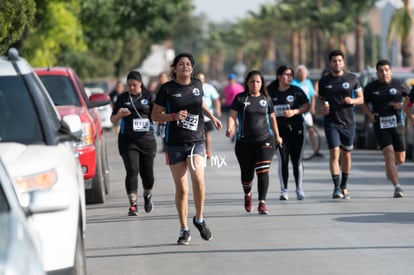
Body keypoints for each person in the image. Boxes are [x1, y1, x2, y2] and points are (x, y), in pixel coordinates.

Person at [151, 53, 222, 245]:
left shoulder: (197, 85)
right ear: (174, 68)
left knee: (198, 181)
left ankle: (199, 219)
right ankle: (184, 229)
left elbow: (200, 104)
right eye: (181, 64)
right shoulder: (167, 89)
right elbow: (155, 115)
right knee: (182, 189)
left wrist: (212, 117)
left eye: (188, 64)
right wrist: (173, 117)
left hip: (196, 140)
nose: (185, 67)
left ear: (192, 67)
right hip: (174, 143)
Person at [226, 70, 283, 214]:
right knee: (247, 175)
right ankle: (248, 194)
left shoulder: (266, 99)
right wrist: (230, 127)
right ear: (247, 83)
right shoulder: (240, 98)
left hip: (265, 139)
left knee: (263, 171)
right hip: (244, 142)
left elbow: (272, 118)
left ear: (262, 83)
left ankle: (262, 203)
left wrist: (277, 136)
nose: (255, 84)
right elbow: (232, 116)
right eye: (252, 81)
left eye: (258, 81)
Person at [318, 49, 364, 200]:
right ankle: (336, 187)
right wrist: (323, 109)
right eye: (334, 61)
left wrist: (352, 101)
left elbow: (361, 99)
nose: (337, 63)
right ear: (330, 63)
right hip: (331, 122)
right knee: (334, 153)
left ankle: (344, 185)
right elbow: (321, 101)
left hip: (348, 123)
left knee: (346, 154)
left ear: (343, 62)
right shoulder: (324, 81)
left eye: (339, 60)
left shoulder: (353, 78)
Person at [110, 71, 156, 216]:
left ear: (140, 84)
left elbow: (157, 114)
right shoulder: (122, 98)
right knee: (132, 170)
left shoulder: (150, 96)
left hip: (147, 140)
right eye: (129, 85)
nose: (131, 88)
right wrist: (120, 115)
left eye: (134, 85)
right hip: (127, 140)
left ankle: (147, 194)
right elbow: (113, 120)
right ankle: (133, 204)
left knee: (147, 174)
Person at [362, 59, 411, 198]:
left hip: (397, 124)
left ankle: (390, 167)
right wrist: (370, 115)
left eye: (386, 70)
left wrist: (401, 106)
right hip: (380, 125)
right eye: (381, 71)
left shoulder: (399, 84)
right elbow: (364, 103)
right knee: (388, 152)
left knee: (400, 159)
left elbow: (409, 98)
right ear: (377, 73)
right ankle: (398, 187)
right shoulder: (371, 87)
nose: (384, 73)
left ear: (390, 71)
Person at [267, 65, 310, 201]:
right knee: (283, 160)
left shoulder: (296, 91)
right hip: (280, 132)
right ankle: (284, 190)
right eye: (286, 74)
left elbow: (306, 105)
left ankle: (299, 188)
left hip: (297, 129)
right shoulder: (271, 92)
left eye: (291, 75)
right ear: (279, 76)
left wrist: (295, 112)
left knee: (296, 160)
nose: (289, 77)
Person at [291, 65, 322, 158]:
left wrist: (312, 107)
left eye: (305, 73)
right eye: (301, 73)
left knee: (311, 130)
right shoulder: (293, 83)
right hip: (297, 110)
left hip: (307, 111)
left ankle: (315, 150)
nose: (303, 75)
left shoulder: (308, 82)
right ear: (298, 74)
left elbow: (312, 95)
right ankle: (295, 151)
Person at [195, 72, 222, 158]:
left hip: (207, 116)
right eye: (198, 78)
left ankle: (207, 150)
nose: (200, 80)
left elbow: (216, 99)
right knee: (196, 135)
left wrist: (218, 109)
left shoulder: (209, 87)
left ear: (204, 79)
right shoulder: (191, 87)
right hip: (195, 117)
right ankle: (198, 151)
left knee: (207, 134)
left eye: (202, 78)